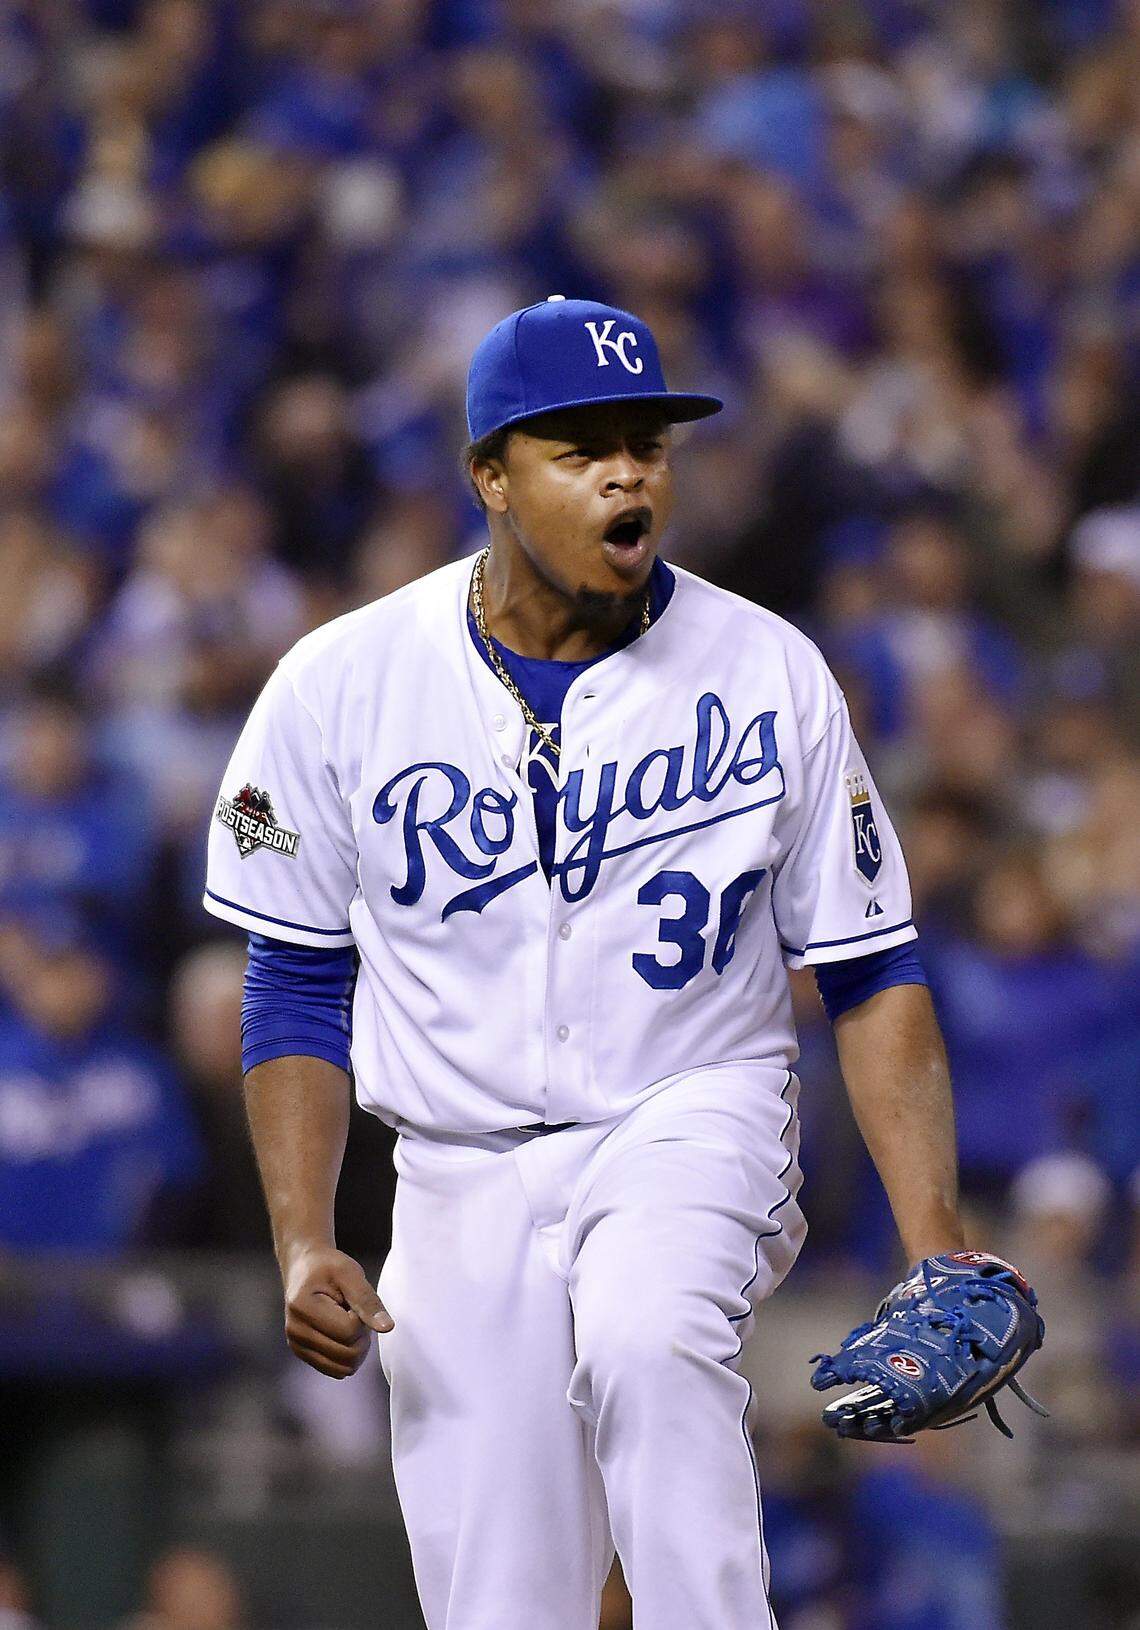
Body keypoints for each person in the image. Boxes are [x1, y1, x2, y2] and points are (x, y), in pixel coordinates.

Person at [204, 297, 978, 1629]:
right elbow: (294, 981)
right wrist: (302, 1237)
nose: (630, 471)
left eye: (649, 443)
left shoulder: (765, 671)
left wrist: (937, 1247)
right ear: (489, 478)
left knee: (650, 1335)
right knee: (505, 1602)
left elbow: (868, 968)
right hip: (456, 1166)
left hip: (692, 1107)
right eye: (580, 447)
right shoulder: (341, 683)